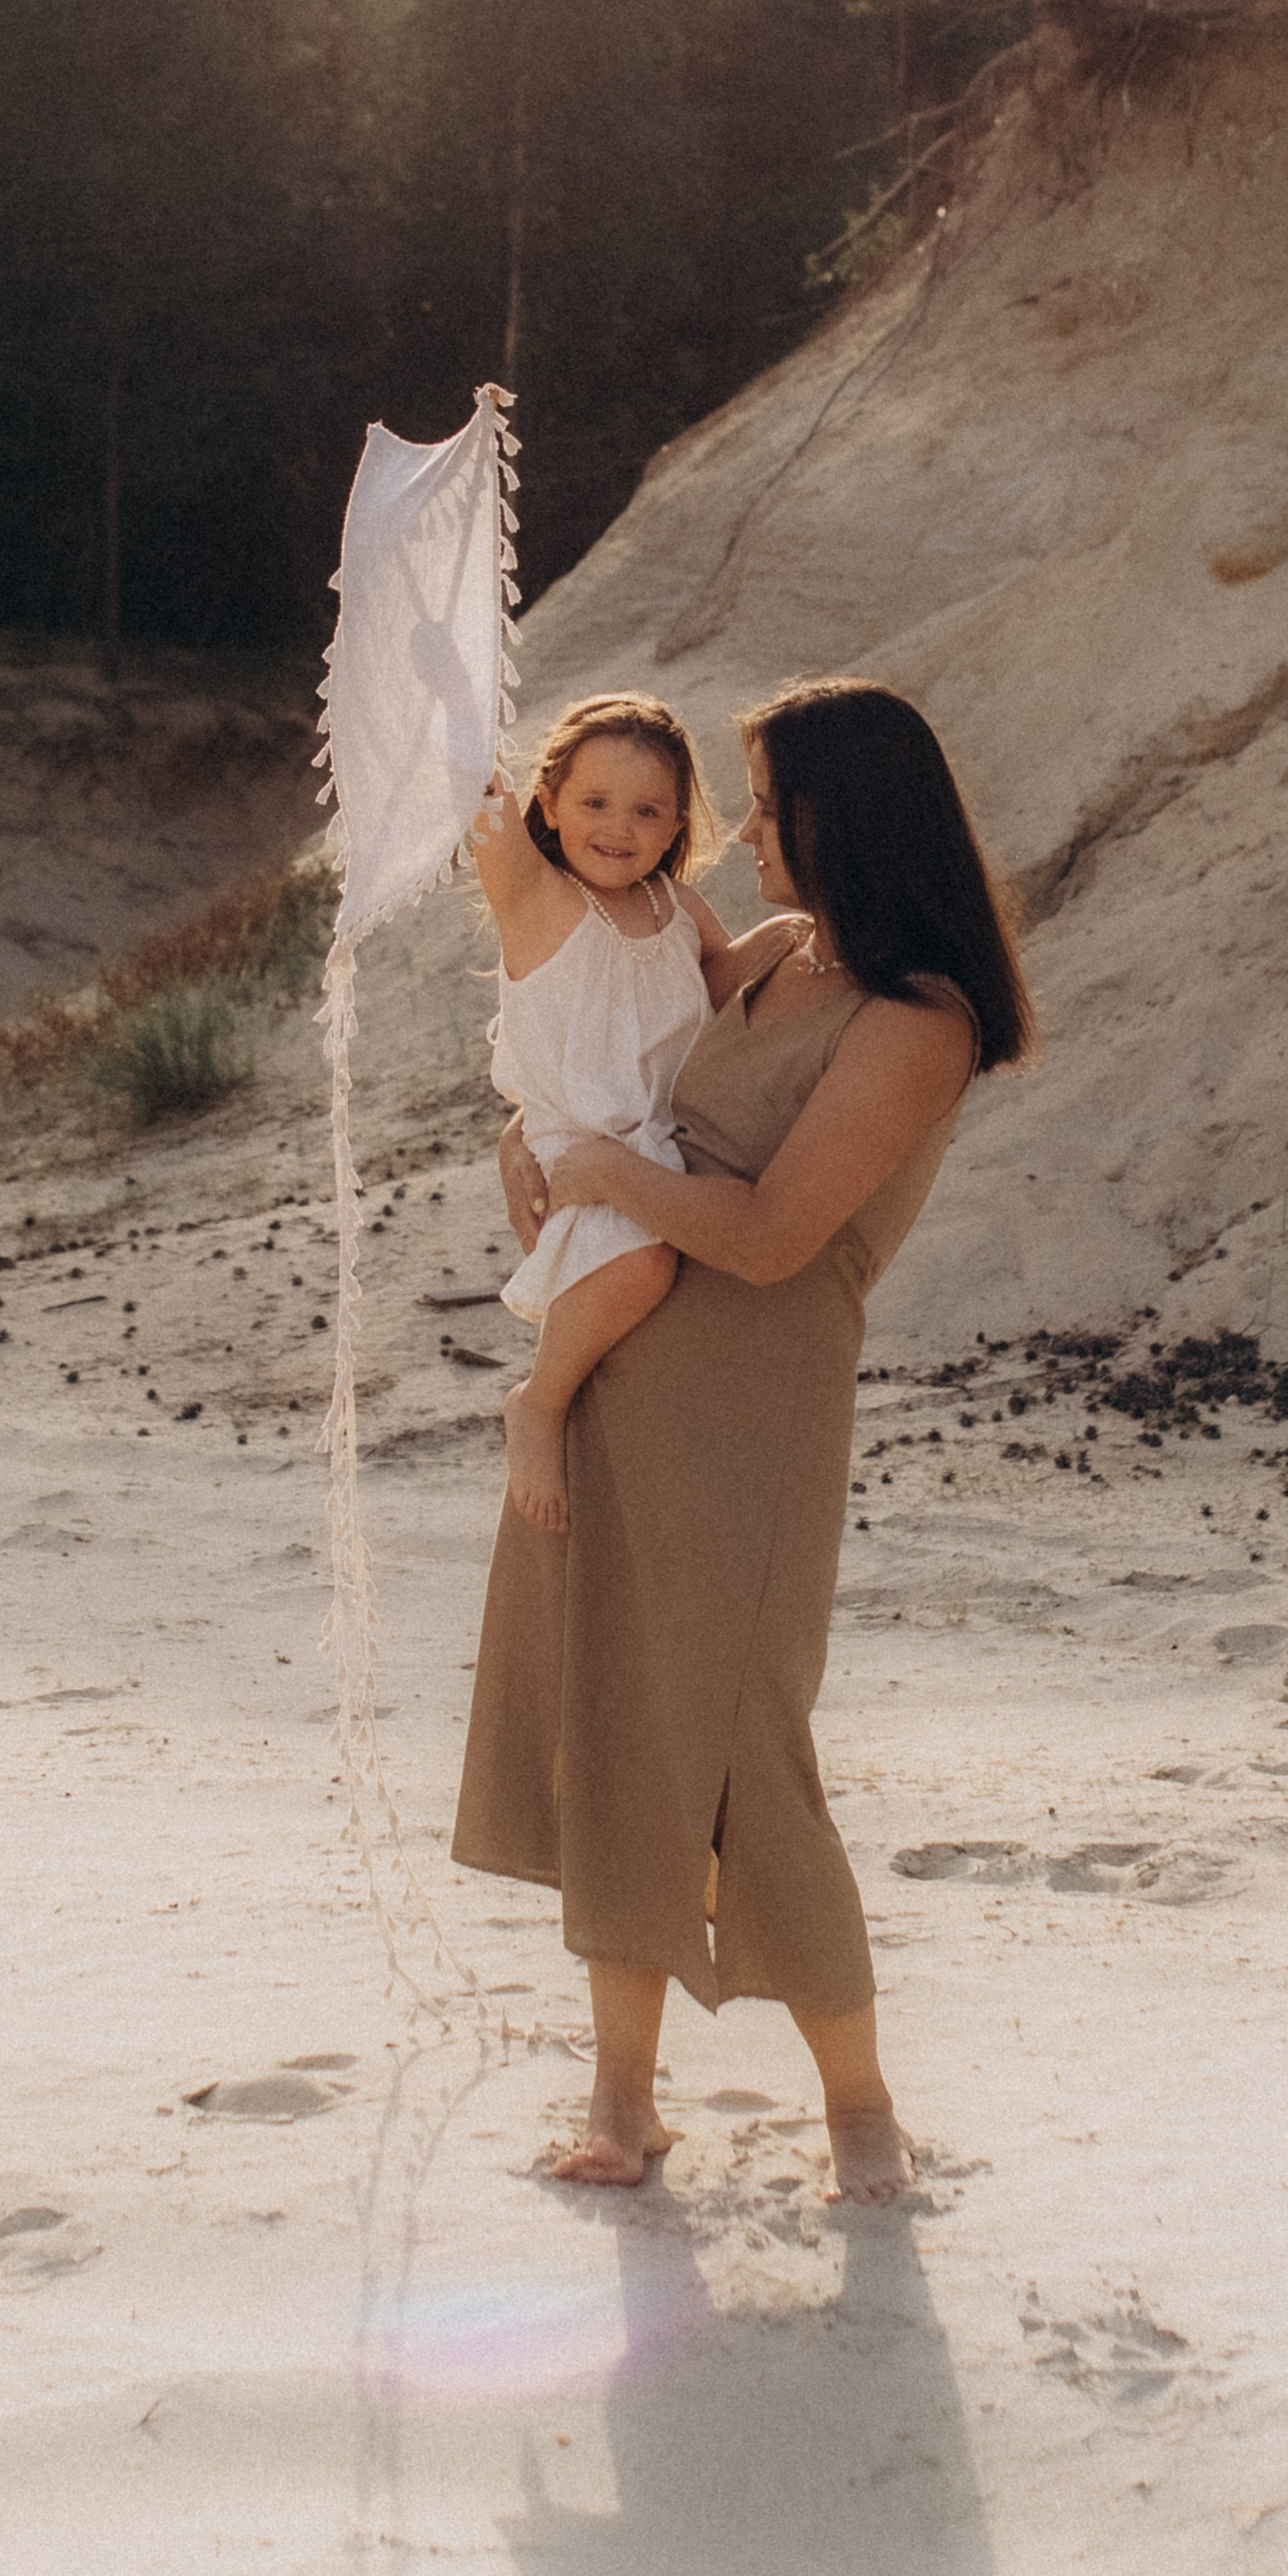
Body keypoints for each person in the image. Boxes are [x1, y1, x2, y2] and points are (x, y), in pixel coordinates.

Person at [452, 675, 1033, 2202]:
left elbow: (775, 1235)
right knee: (613, 1728)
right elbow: (615, 1077)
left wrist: (597, 1177)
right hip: (618, 1373)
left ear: (850, 821)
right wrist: (531, 1140)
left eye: (772, 806)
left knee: (747, 1754)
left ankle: (861, 2119)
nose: (746, 833)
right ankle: (625, 2106)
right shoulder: (766, 954)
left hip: (752, 1412)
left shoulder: (920, 1024)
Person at [470, 695, 737, 1534]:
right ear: (546, 805)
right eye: (593, 803)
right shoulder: (540, 901)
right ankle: (537, 1400)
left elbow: (734, 994)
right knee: (641, 1267)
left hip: (664, 1139)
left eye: (647, 809)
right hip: (576, 1136)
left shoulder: (680, 909)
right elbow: (475, 800)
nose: (619, 827)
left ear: (675, 826)